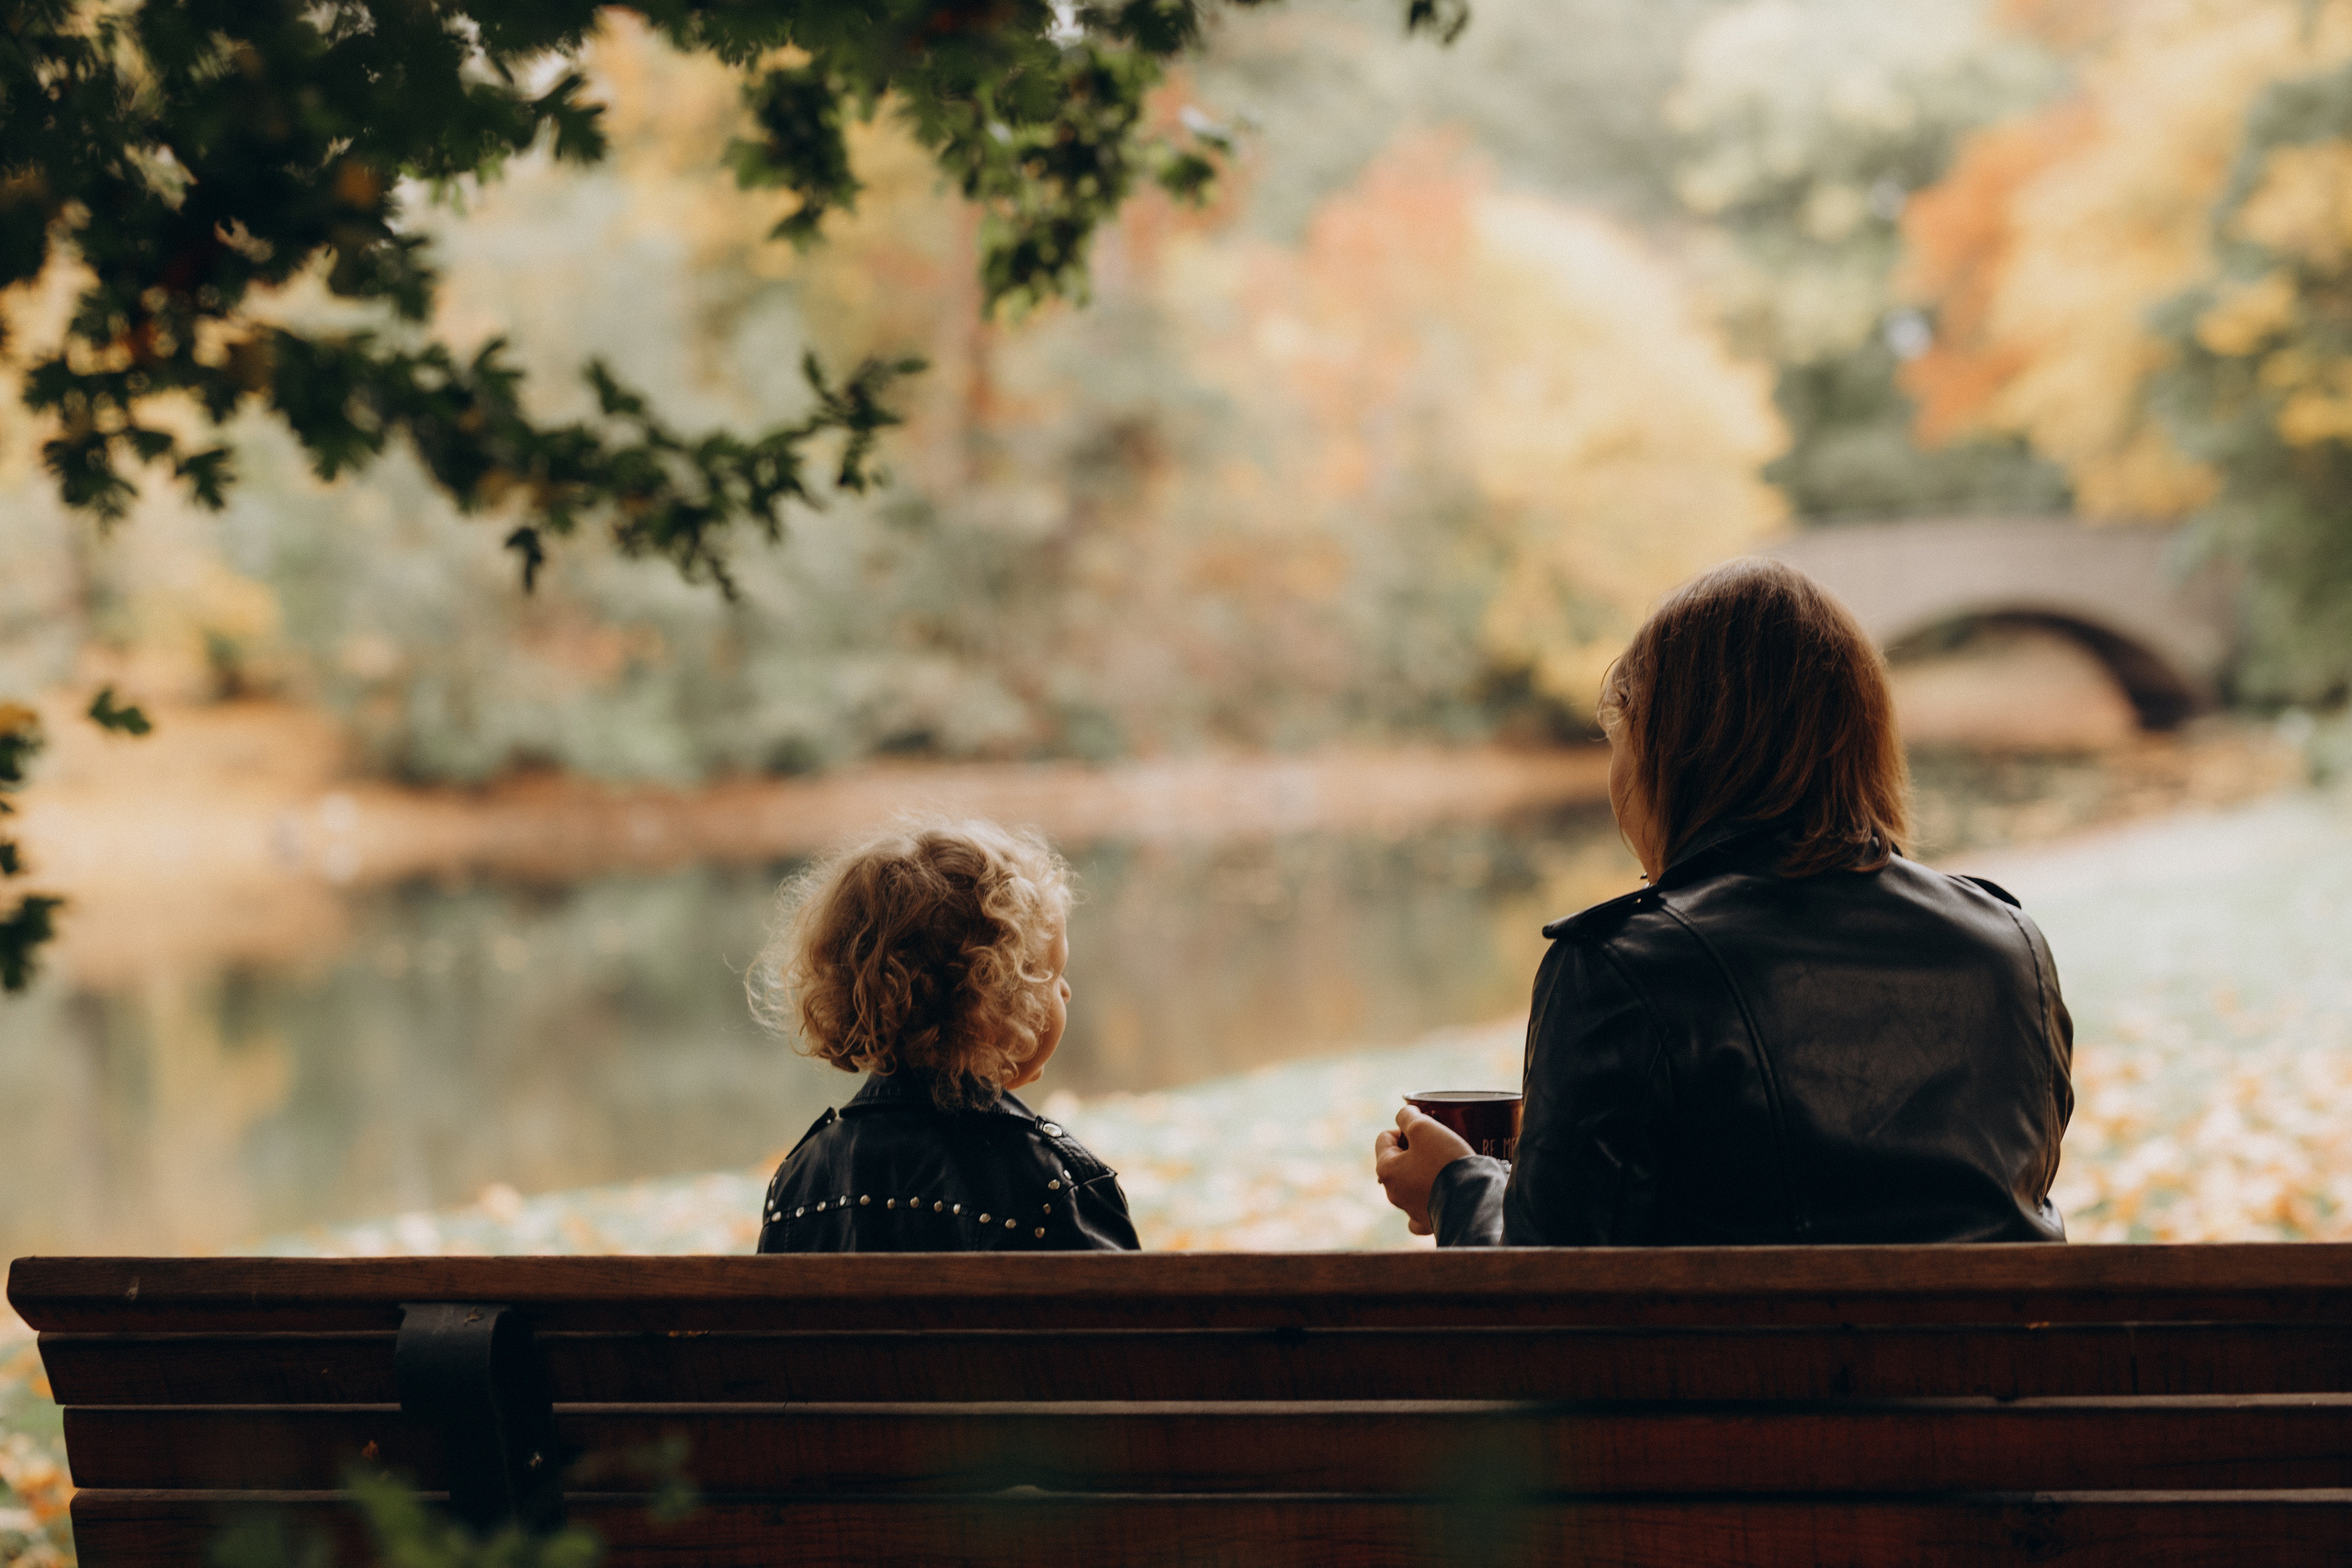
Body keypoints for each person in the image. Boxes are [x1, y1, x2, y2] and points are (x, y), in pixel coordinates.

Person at [1375, 558, 2074, 1247]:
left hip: (1738, 1366)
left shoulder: (1618, 972)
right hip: (1999, 1362)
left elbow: (1543, 1302)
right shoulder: (2011, 949)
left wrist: (1457, 1186)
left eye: (1623, 737)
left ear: (1667, 752)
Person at [748, 818, 1140, 1253]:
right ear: (989, 1003)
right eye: (1051, 973)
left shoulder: (799, 1184)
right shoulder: (1054, 1186)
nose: (1065, 990)